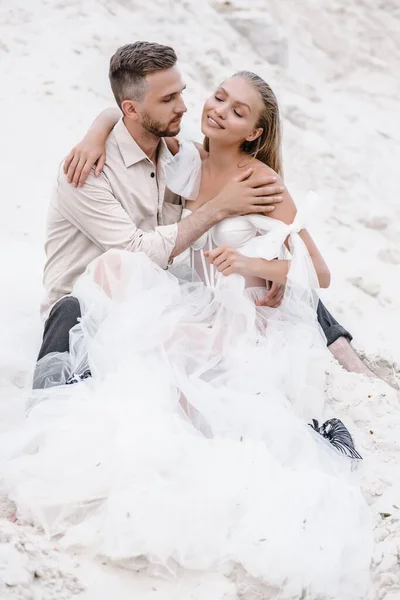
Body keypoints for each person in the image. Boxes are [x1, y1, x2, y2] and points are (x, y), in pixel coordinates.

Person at [6, 43, 372, 600]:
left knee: (248, 310)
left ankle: (343, 349)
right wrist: (99, 126)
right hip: (121, 296)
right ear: (134, 110)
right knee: (125, 328)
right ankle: (51, 440)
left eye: (228, 105)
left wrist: (253, 263)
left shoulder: (219, 166)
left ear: (253, 131)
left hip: (212, 297)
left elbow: (307, 267)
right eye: (190, 97)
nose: (199, 105)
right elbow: (142, 243)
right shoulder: (154, 160)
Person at [33, 41, 289, 388]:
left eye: (180, 94)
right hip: (82, 312)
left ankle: (332, 335)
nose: (183, 108)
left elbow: (300, 254)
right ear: (132, 109)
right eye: (168, 100)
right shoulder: (86, 171)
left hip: (153, 297)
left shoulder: (176, 155)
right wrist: (221, 207)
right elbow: (136, 251)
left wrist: (267, 269)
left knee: (256, 295)